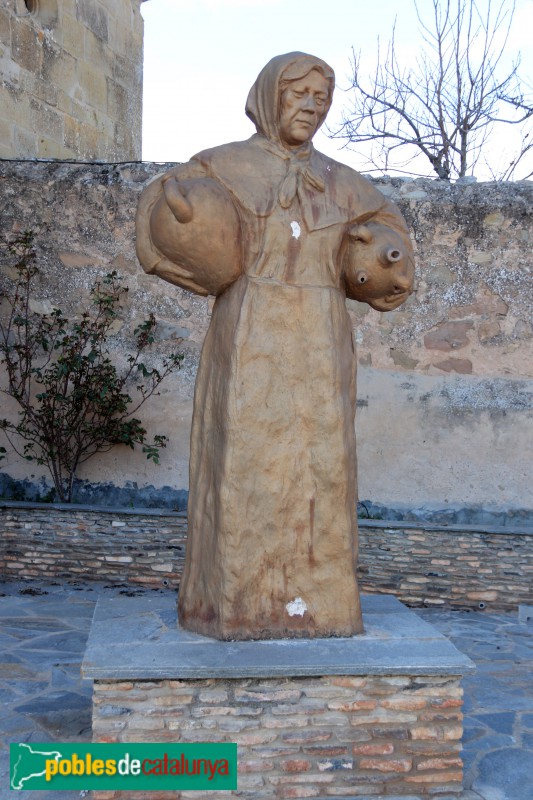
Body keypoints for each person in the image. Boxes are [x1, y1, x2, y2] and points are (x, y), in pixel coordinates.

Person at [136, 52, 414, 640]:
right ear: (269, 97)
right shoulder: (221, 167)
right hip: (249, 336)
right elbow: (170, 221)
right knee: (242, 470)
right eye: (299, 93)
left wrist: (386, 257)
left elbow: (389, 251)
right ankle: (232, 605)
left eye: (322, 97)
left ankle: (323, 607)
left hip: (320, 341)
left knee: (322, 473)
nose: (311, 105)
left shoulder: (347, 186)